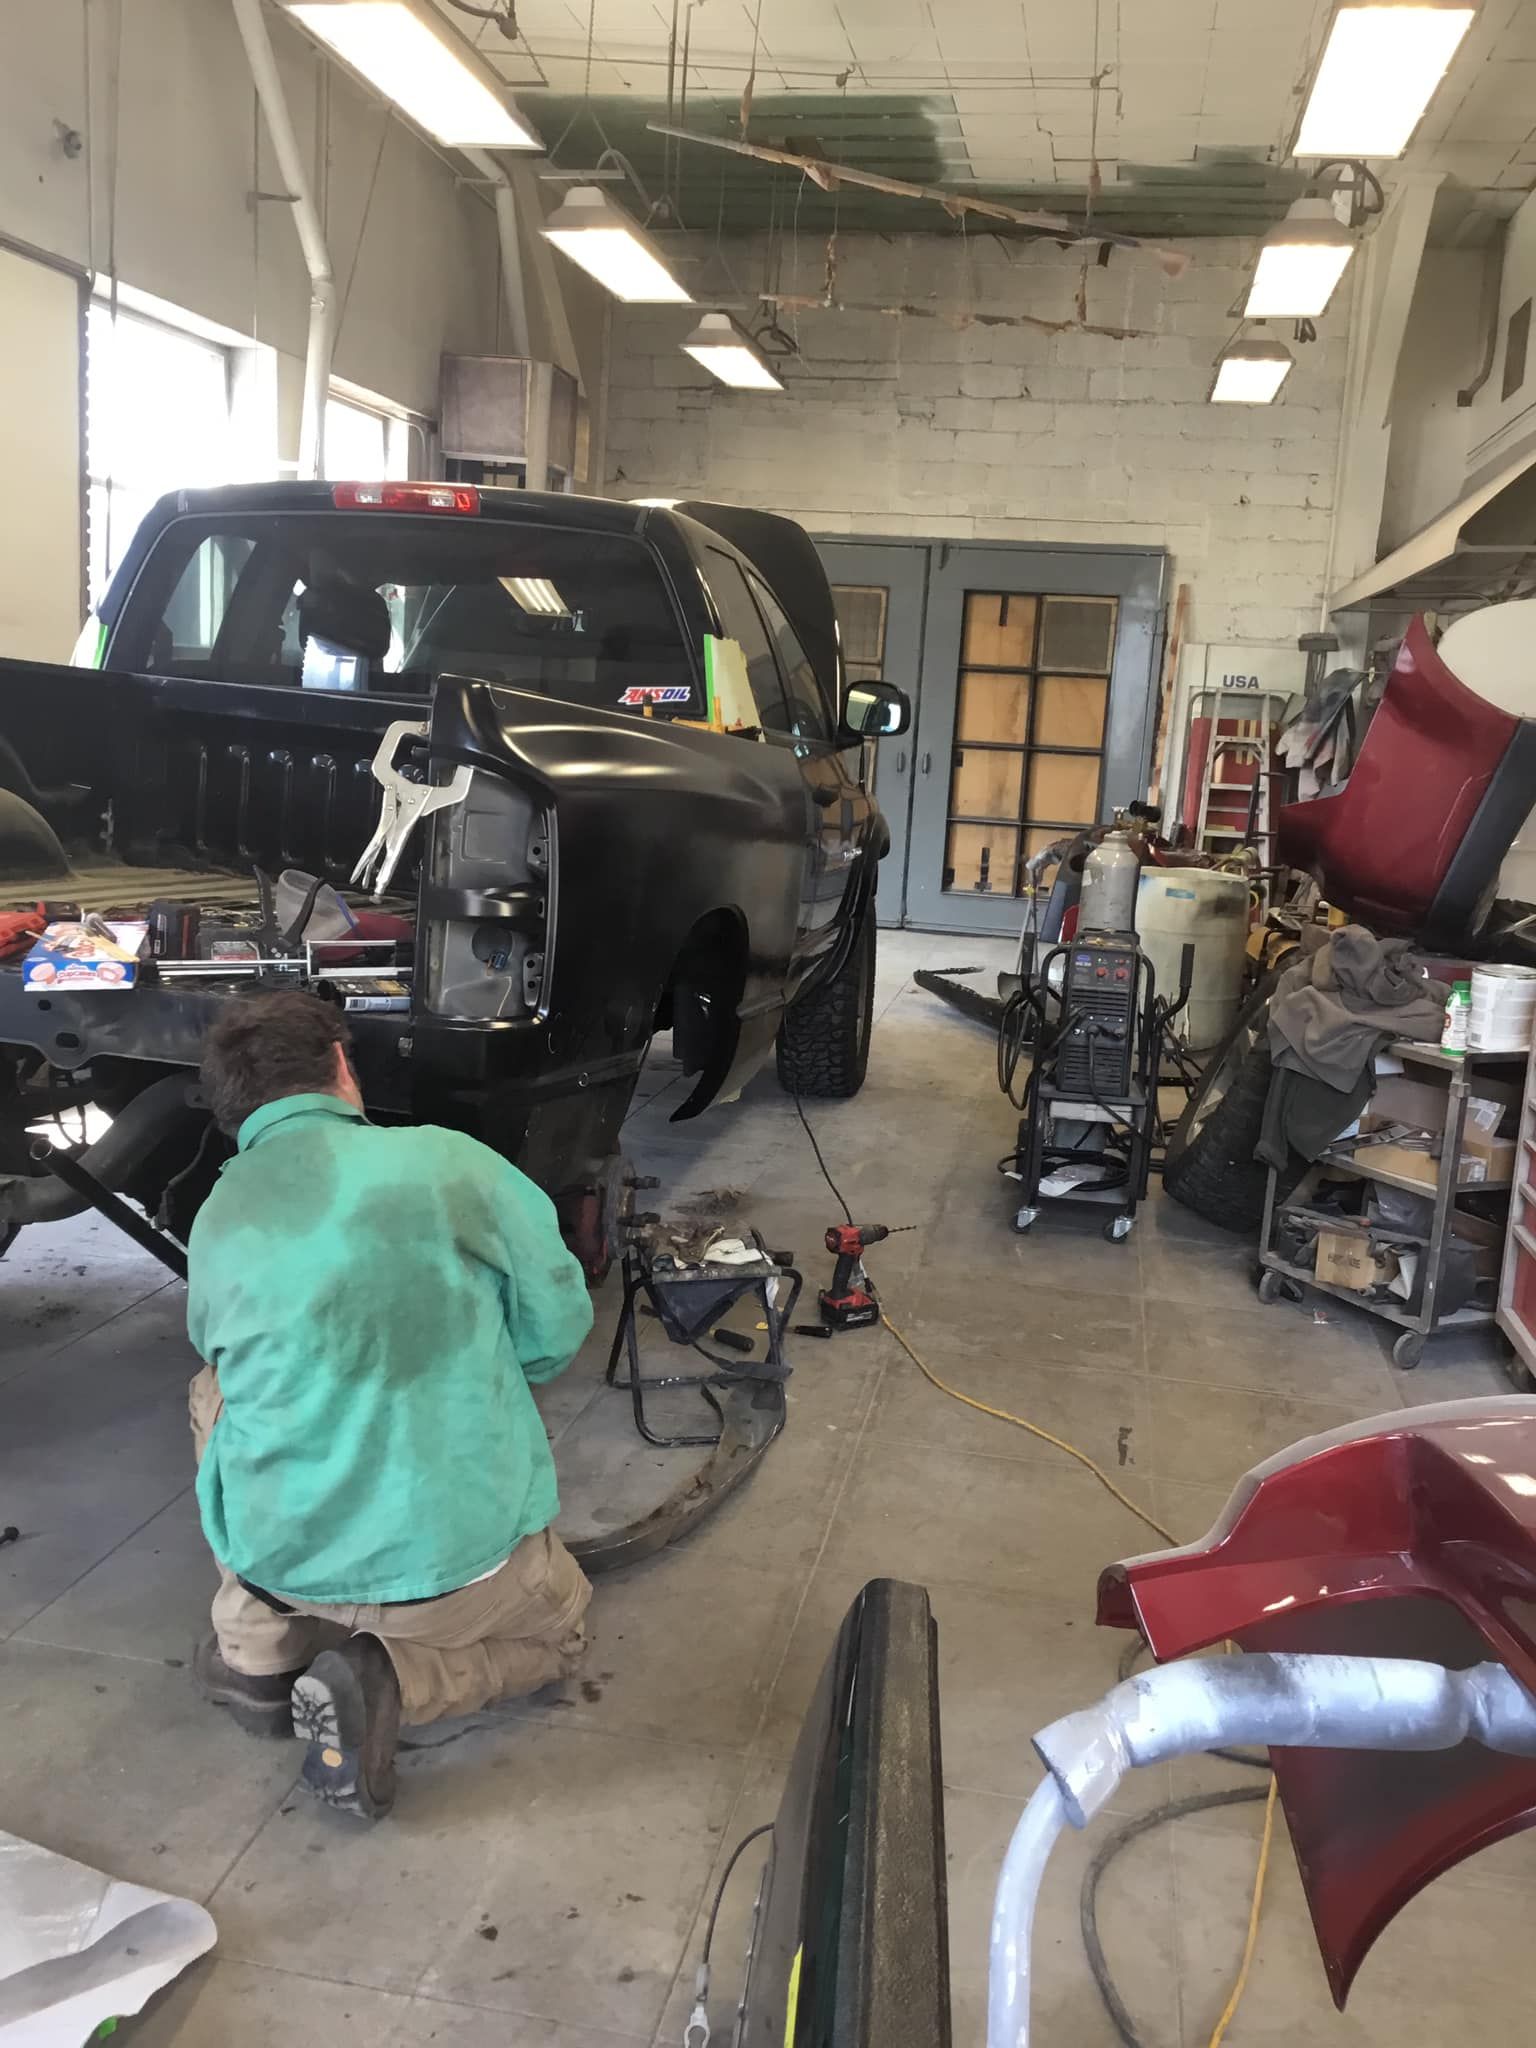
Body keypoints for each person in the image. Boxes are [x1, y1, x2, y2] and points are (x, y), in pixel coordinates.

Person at [185, 989, 595, 1821]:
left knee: (212, 1389)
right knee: (563, 1632)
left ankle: (258, 1651)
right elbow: (556, 1330)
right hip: (457, 1579)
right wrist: (471, 1368)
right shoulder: (451, 1161)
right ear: (341, 1064)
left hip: (278, 1559)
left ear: (233, 1109)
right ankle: (391, 1681)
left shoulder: (219, 1209)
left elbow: (218, 1346)